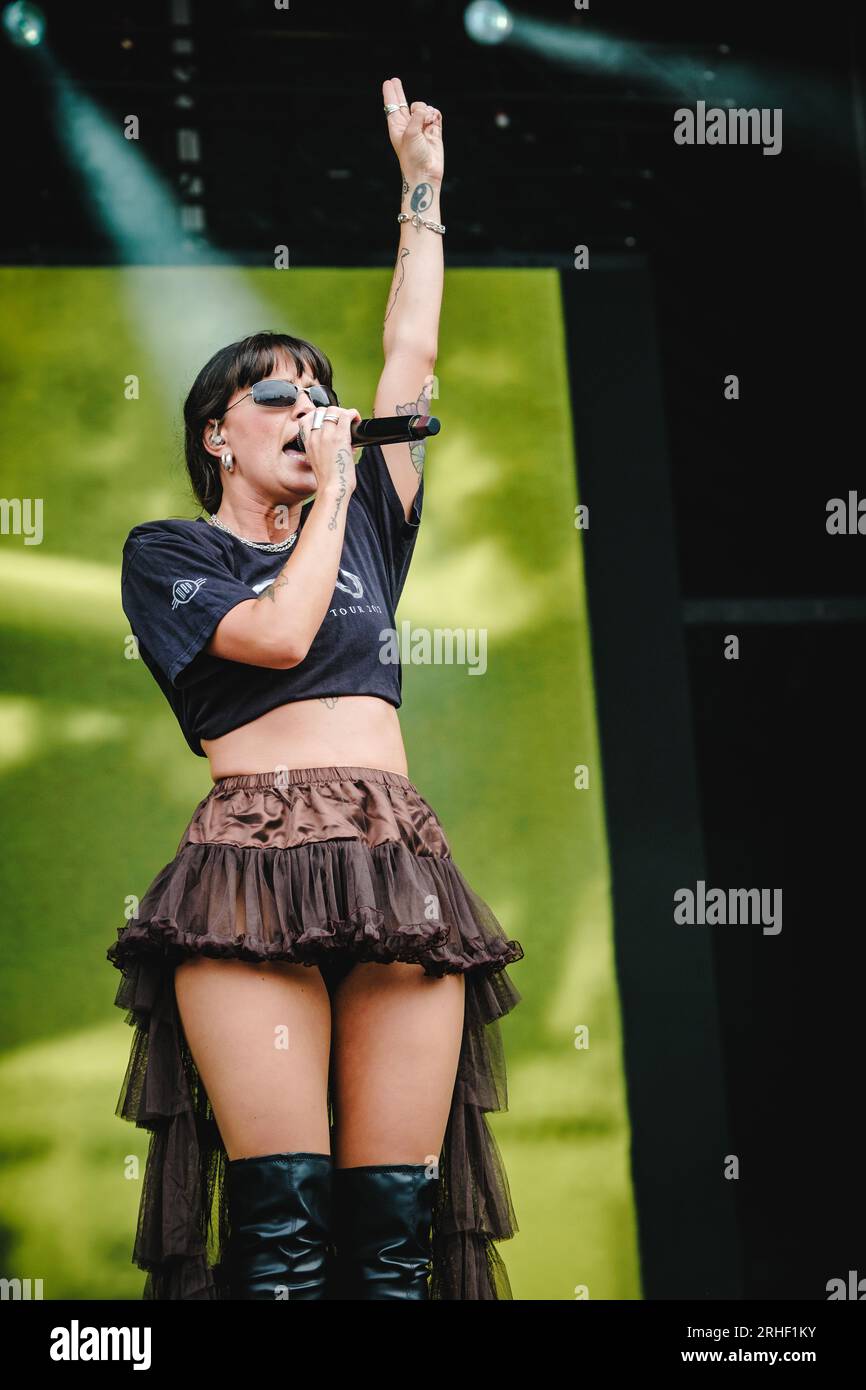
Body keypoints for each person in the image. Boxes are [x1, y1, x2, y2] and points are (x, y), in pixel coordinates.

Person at [106, 79, 524, 1301]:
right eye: (274, 396)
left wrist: (421, 189)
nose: (306, 410)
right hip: (248, 864)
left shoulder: (369, 527)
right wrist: (337, 493)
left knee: (391, 1231)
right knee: (281, 1232)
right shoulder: (172, 553)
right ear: (217, 438)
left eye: (313, 391)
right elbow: (281, 638)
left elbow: (411, 352)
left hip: (393, 855)